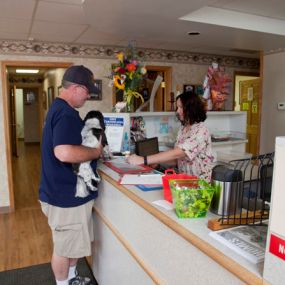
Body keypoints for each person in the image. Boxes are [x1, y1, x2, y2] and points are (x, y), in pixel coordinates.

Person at [39, 65, 103, 285]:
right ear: (76, 88)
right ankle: (63, 283)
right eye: (87, 91)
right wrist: (95, 151)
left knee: (73, 243)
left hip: (68, 195)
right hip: (64, 197)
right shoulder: (65, 113)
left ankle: (72, 278)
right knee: (64, 248)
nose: (88, 96)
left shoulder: (60, 109)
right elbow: (63, 152)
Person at [127, 91, 214, 182]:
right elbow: (177, 160)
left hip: (199, 185)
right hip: (185, 183)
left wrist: (144, 160)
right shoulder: (183, 129)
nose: (177, 111)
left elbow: (179, 153)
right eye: (177, 107)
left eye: (181, 107)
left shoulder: (201, 130)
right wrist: (156, 161)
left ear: (191, 108)